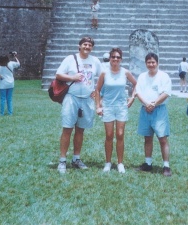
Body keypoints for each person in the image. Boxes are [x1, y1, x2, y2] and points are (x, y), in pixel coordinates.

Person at [55, 36, 102, 174]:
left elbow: (102, 76)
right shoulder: (70, 59)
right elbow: (58, 74)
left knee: (80, 130)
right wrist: (72, 77)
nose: (87, 47)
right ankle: (62, 160)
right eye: (85, 44)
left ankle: (76, 159)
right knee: (67, 129)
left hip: (87, 99)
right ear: (79, 46)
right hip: (71, 98)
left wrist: (96, 90)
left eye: (90, 45)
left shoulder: (95, 61)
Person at [95, 48, 137, 173]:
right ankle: (108, 163)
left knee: (120, 135)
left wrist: (132, 98)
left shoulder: (125, 72)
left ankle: (120, 163)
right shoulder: (104, 73)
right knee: (109, 135)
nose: (115, 59)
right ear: (110, 59)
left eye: (118, 57)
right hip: (107, 106)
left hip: (121, 107)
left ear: (121, 59)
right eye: (113, 57)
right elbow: (97, 90)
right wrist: (98, 106)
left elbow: (136, 84)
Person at [136, 52, 172, 176]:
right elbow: (138, 92)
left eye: (153, 62)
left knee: (162, 139)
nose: (151, 64)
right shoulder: (142, 76)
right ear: (146, 63)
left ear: (157, 63)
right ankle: (148, 163)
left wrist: (154, 104)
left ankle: (166, 166)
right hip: (145, 109)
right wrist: (147, 104)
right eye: (148, 62)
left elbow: (166, 93)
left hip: (159, 110)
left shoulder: (164, 76)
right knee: (147, 138)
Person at [0, 52, 20, 116]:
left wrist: (0, 76)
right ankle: (10, 113)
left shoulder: (0, 67)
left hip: (3, 84)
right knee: (9, 99)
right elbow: (18, 64)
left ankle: (1, 113)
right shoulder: (11, 64)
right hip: (11, 84)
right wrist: (15, 57)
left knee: (2, 99)